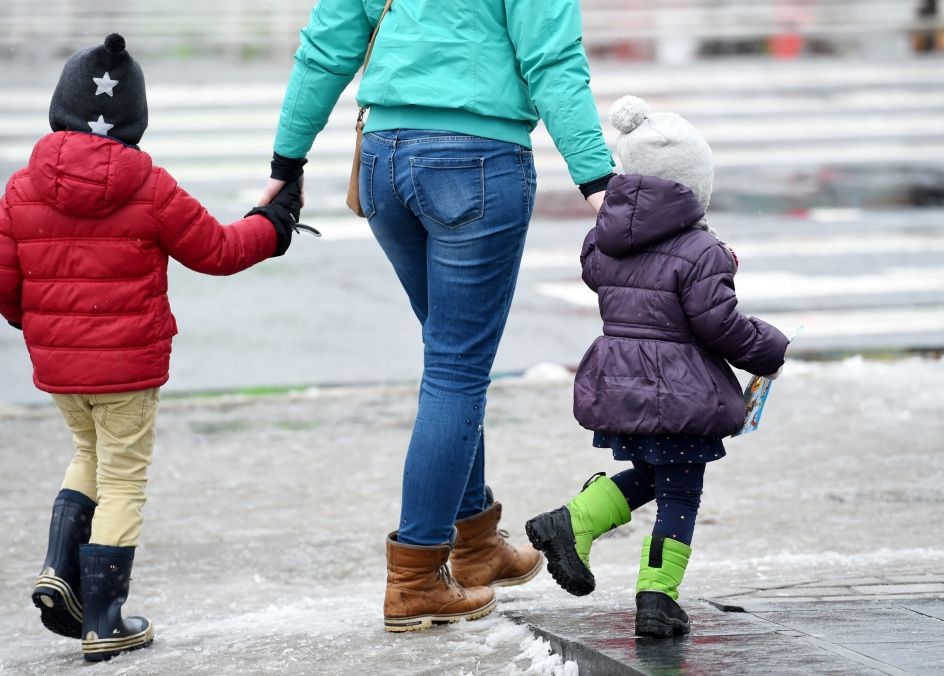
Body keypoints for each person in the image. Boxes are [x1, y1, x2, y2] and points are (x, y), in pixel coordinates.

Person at [257, 1, 616, 632]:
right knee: (456, 369)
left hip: (386, 161)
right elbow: (552, 60)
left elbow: (327, 46)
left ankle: (476, 545)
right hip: (475, 162)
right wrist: (598, 181)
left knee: (449, 357)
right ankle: (417, 578)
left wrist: (287, 164)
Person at [0, 34, 303, 662]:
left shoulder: (24, 186)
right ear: (135, 120)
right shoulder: (148, 185)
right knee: (124, 478)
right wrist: (275, 225)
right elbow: (218, 251)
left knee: (88, 454)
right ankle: (103, 617)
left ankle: (57, 570)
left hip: (61, 368)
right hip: (128, 369)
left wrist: (41, 325)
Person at [525, 96, 789, 639]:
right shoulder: (701, 251)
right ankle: (657, 599)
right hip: (678, 389)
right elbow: (719, 325)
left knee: (651, 473)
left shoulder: (604, 240)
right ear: (695, 189)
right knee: (679, 491)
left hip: (621, 378)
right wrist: (769, 347)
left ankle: (571, 523)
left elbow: (607, 279)